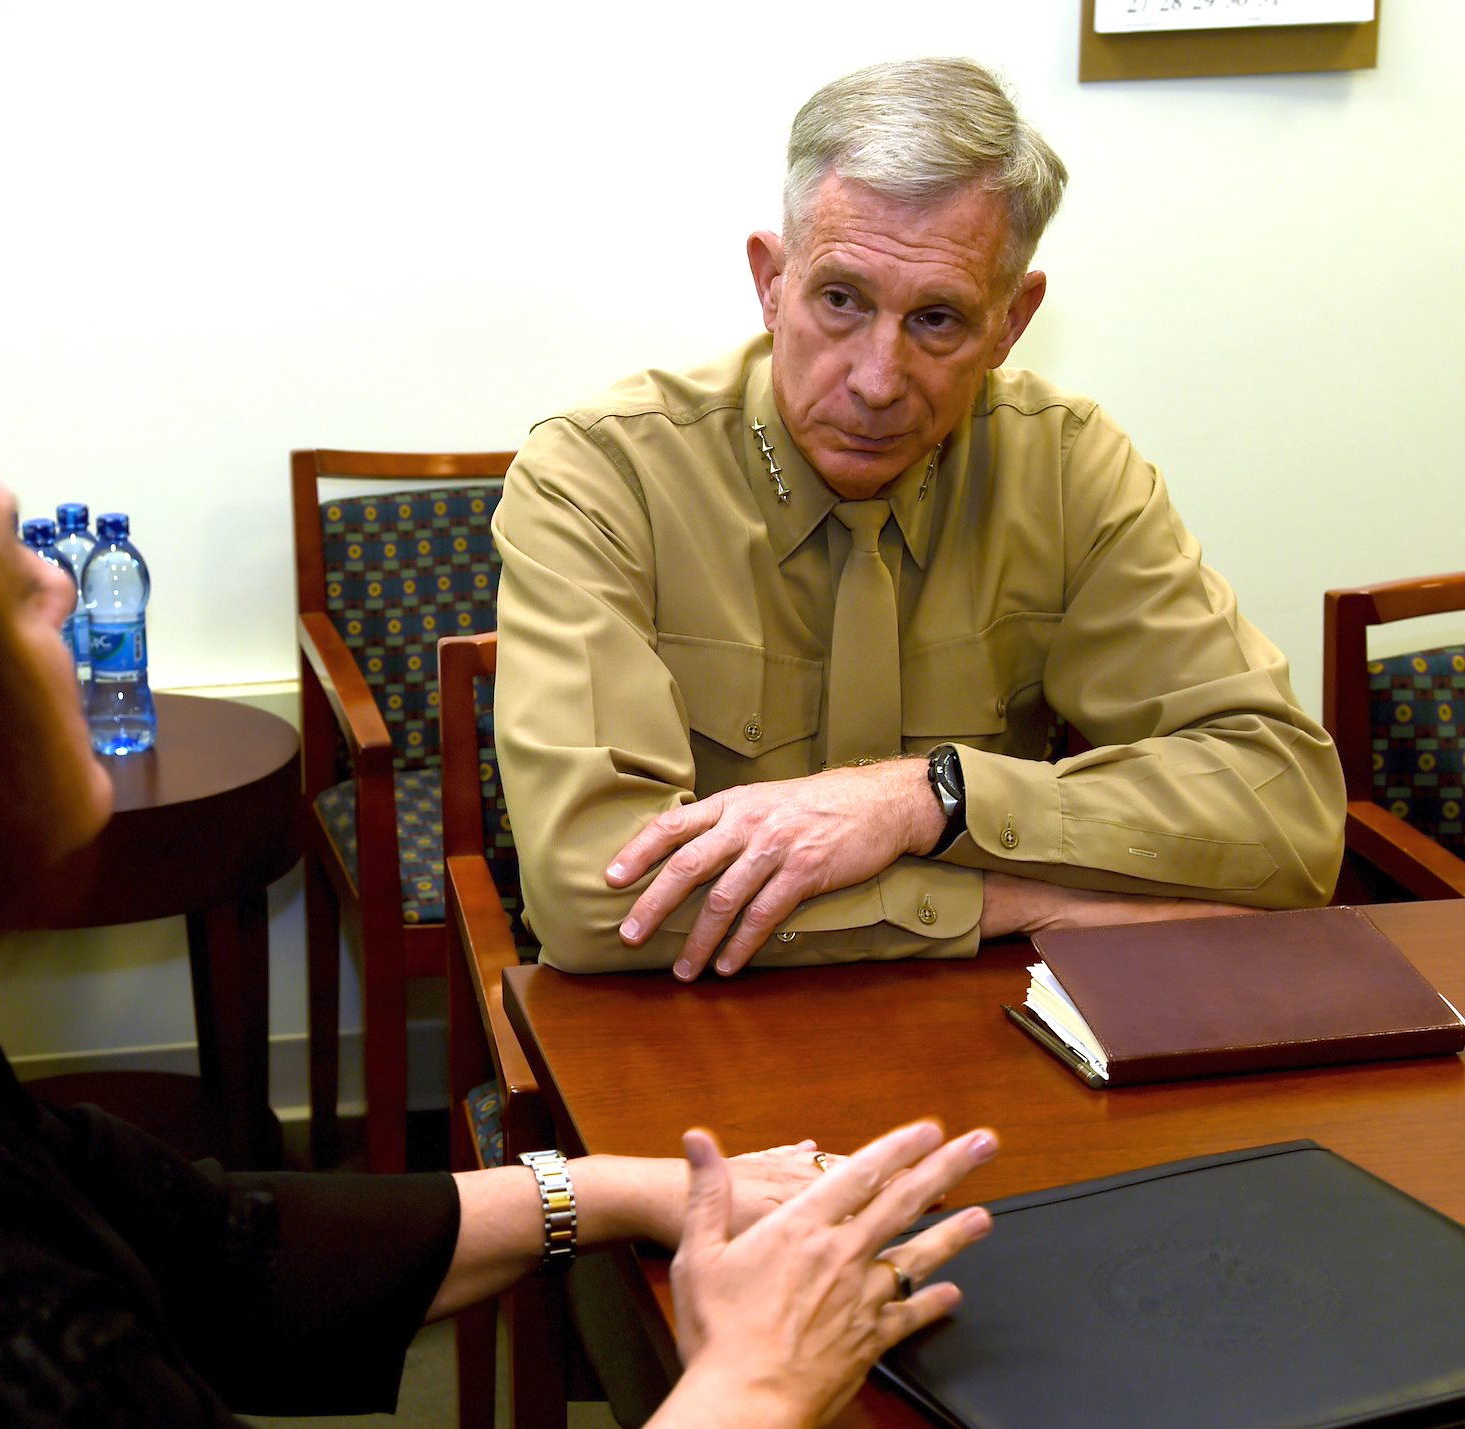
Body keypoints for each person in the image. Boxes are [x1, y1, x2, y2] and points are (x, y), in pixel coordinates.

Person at [0, 307, 996, 1427]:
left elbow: (216, 1248)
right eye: (5, 572)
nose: (65, 586)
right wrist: (753, 1378)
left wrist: (627, 1188)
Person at [492, 57, 1345, 979]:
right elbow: (592, 893)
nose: (876, 382)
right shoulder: (599, 475)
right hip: (691, 1035)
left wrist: (929, 795)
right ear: (771, 281)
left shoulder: (1065, 466)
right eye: (841, 300)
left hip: (991, 1042)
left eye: (937, 319)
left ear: (1011, 324)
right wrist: (1021, 903)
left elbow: (1288, 812)